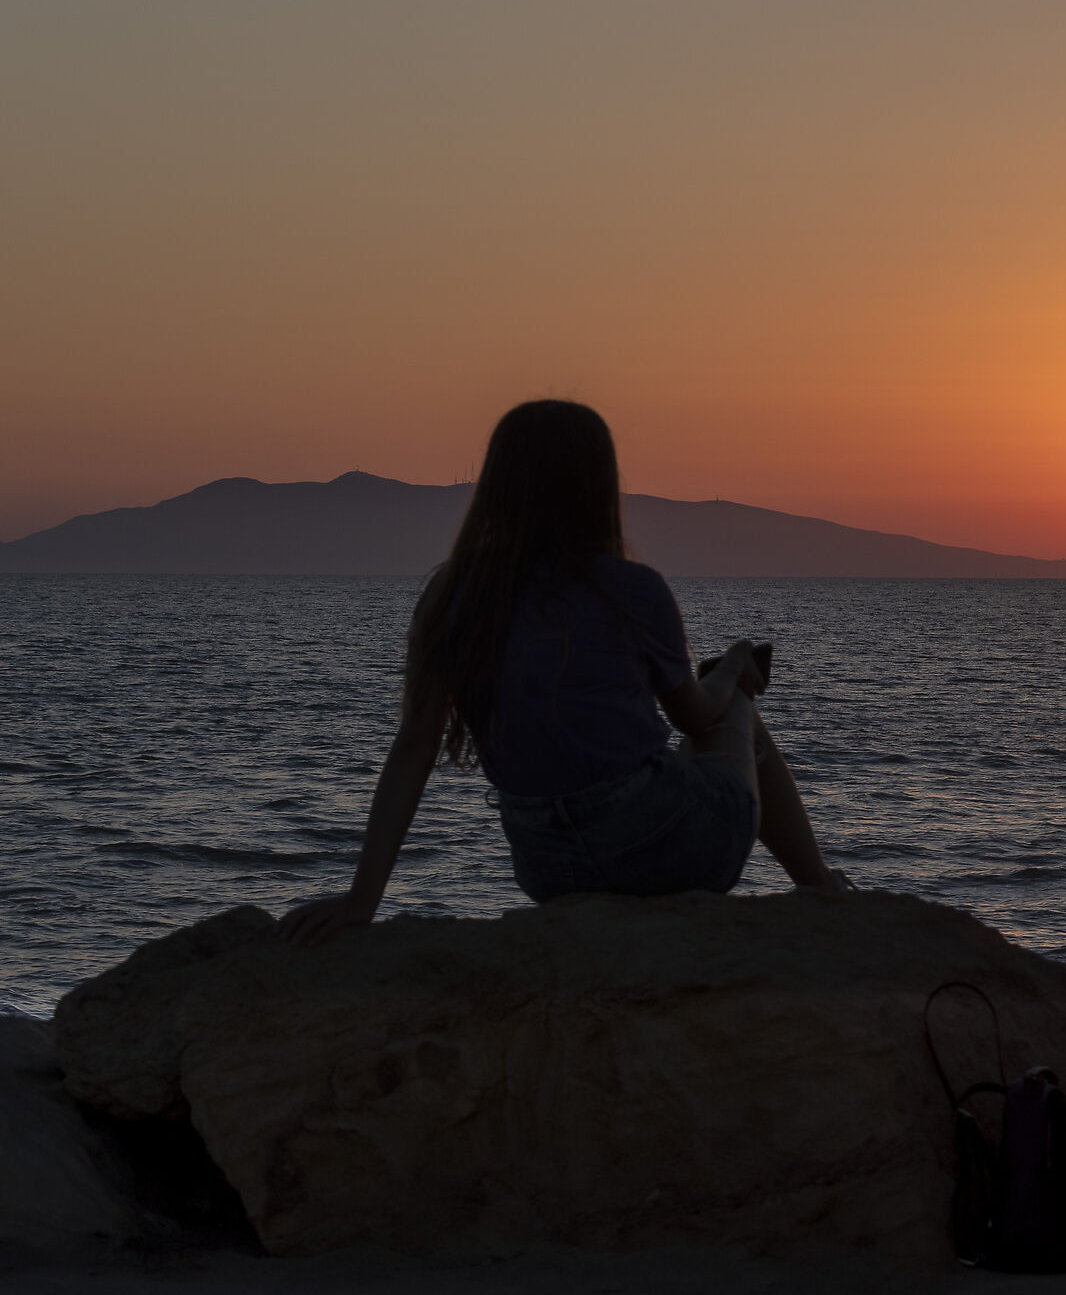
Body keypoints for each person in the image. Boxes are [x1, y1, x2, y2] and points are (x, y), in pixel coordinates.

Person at [280, 399, 836, 946]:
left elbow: (412, 751)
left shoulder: (453, 595)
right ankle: (823, 890)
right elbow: (696, 715)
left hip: (548, 866)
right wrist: (734, 667)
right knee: (735, 710)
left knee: (674, 763)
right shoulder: (631, 588)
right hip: (669, 850)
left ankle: (818, 884)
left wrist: (362, 900)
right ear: (597, 486)